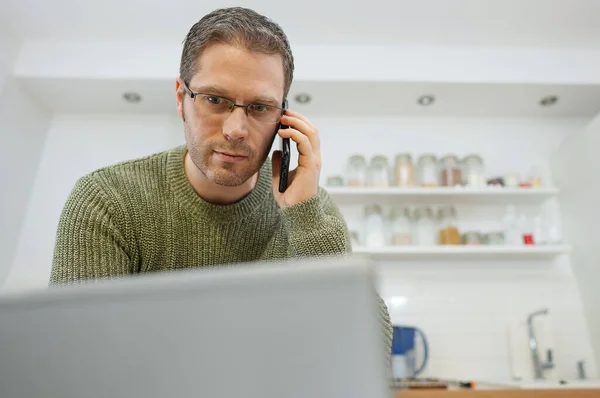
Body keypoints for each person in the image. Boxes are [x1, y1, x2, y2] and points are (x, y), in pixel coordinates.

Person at [49, 7, 392, 360]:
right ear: (182, 98)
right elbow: (76, 360)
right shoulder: (107, 201)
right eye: (215, 100)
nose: (236, 130)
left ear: (283, 119)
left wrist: (306, 218)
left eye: (260, 107)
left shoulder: (307, 213)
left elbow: (372, 356)